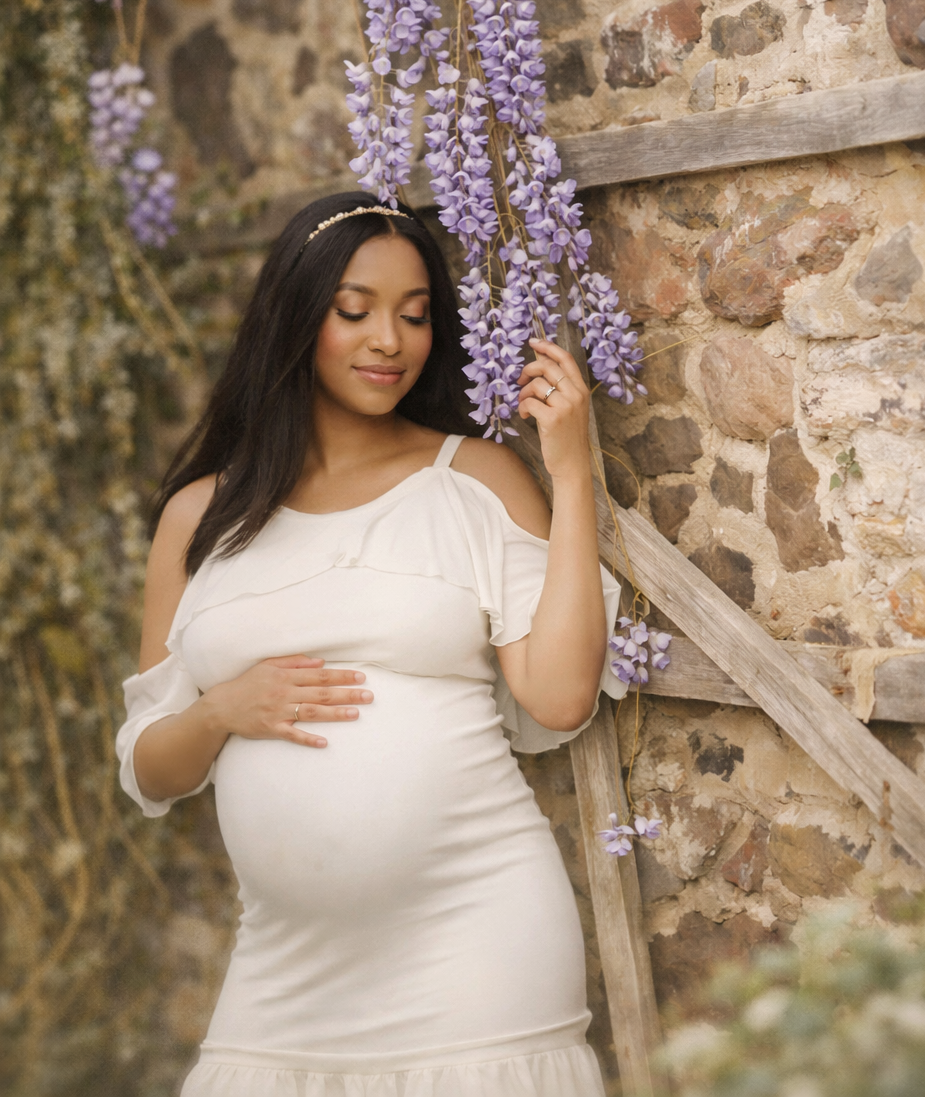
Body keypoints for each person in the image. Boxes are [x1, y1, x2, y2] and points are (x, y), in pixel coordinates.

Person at [117, 192, 627, 1097]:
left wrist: (572, 470)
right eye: (354, 311)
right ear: (296, 316)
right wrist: (222, 709)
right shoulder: (199, 519)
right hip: (284, 973)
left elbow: (559, 696)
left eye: (416, 314)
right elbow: (151, 769)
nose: (389, 340)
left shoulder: (474, 479)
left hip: (478, 944)